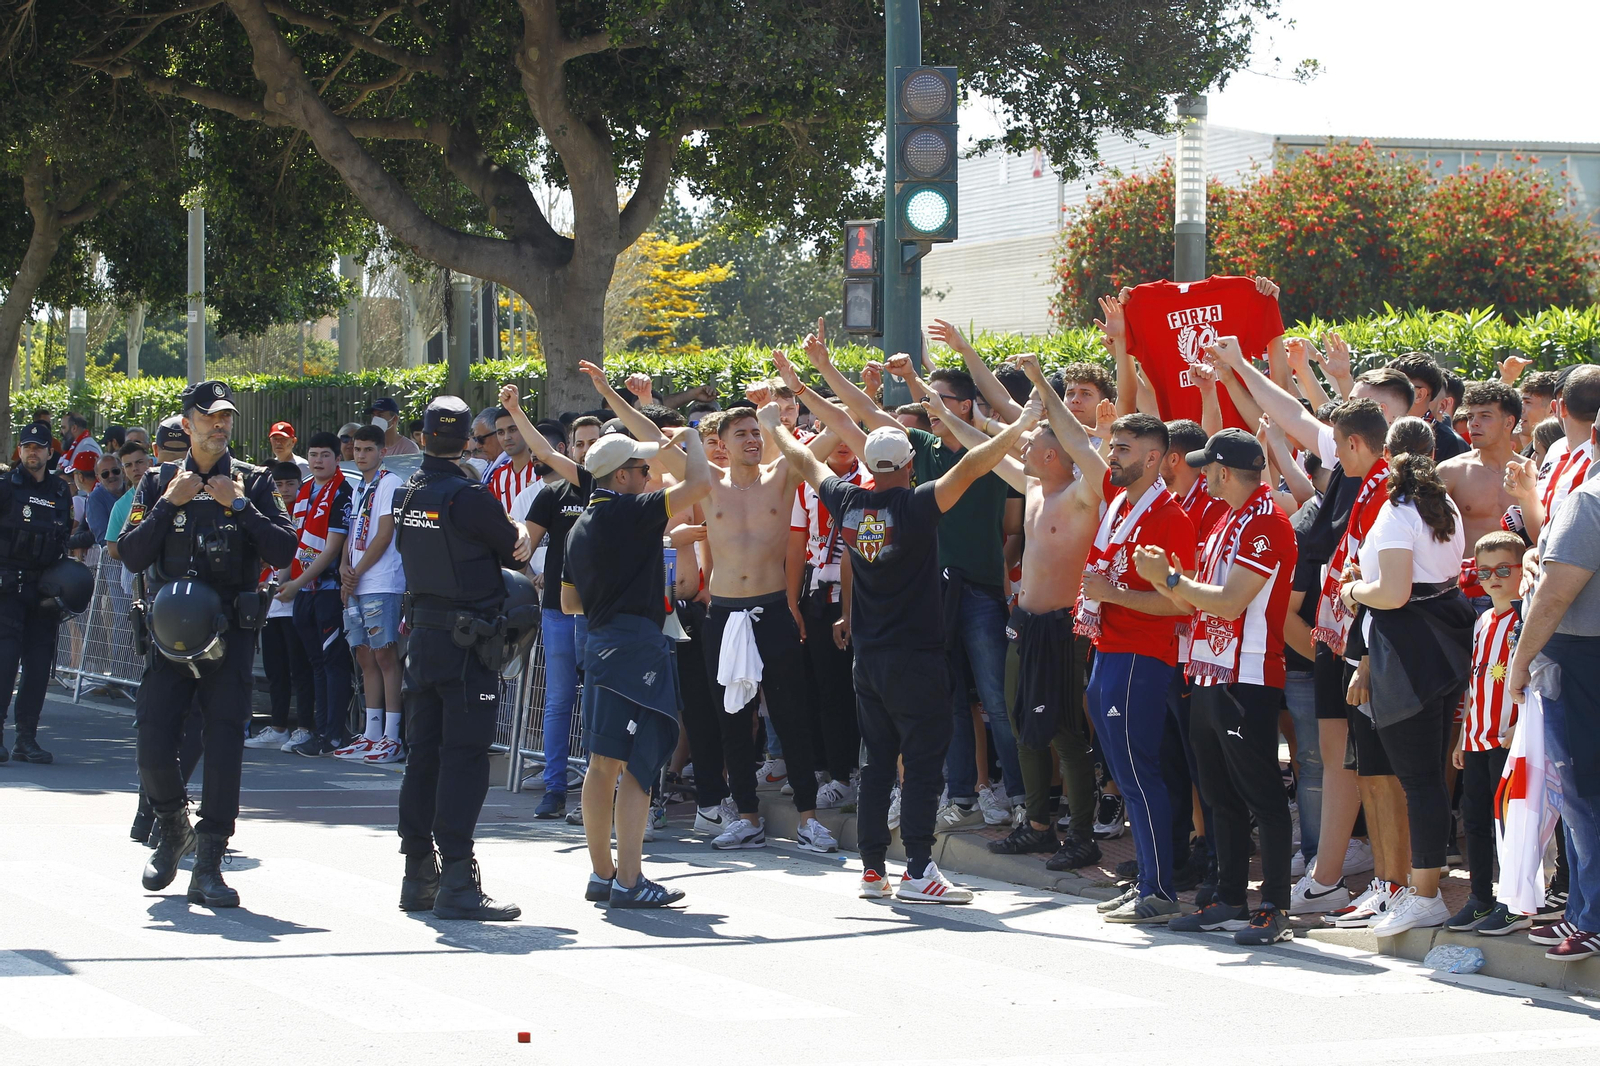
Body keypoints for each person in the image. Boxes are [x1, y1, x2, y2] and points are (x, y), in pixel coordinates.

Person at [763, 395, 1039, 903]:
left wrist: (771, 428)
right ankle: (916, 869)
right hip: (916, 658)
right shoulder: (916, 504)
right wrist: (1022, 423)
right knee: (924, 765)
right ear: (911, 465)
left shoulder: (847, 500)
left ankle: (873, 871)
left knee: (877, 766)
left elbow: (804, 460)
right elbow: (976, 464)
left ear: (869, 464)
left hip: (868, 660)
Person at [577, 358, 834, 855]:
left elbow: (831, 434)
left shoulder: (783, 476)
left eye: (756, 432)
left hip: (771, 609)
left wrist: (792, 397)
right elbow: (645, 432)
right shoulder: (708, 482)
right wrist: (610, 392)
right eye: (741, 433)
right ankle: (747, 816)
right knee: (730, 720)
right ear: (723, 438)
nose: (752, 440)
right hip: (723, 613)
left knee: (790, 713)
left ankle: (807, 818)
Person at [119, 380, 297, 908]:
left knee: (222, 746)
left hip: (230, 635)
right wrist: (165, 505)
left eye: (225, 417)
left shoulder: (253, 482)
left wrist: (242, 508)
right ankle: (173, 827)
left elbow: (285, 548)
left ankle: (211, 861)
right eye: (208, 416)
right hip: (169, 638)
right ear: (188, 422)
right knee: (152, 737)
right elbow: (129, 554)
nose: (219, 425)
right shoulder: (156, 482)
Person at [1136, 426, 1298, 946]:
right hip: (1209, 671)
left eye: (1208, 468)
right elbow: (1197, 603)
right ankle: (1229, 897)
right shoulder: (1229, 519)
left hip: (1246, 676)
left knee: (1262, 796)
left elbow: (1229, 602)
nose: (1202, 475)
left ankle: (1272, 906)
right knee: (1219, 794)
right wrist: (1166, 580)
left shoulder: (1266, 525)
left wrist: (1173, 581)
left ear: (1225, 472)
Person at [393, 395, 531, 921]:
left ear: (424, 438)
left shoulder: (408, 493)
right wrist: (517, 530)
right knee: (465, 758)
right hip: (467, 641)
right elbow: (512, 548)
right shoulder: (468, 494)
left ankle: (417, 873)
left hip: (424, 640)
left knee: (422, 757)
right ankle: (456, 877)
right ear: (468, 441)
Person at [563, 421, 711, 907]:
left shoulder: (580, 525)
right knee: (641, 766)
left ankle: (603, 875)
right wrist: (691, 440)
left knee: (602, 764)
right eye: (642, 469)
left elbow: (569, 602)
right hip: (637, 646)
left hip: (602, 642)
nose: (648, 475)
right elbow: (699, 485)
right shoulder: (629, 511)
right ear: (621, 476)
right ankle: (629, 881)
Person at [976, 354, 1105, 871]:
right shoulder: (1031, 487)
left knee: (1067, 733)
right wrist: (937, 402)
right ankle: (1036, 826)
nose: (1024, 449)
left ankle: (1081, 834)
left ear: (1055, 456)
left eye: (1034, 446)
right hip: (1024, 624)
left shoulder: (1082, 495)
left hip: (1065, 628)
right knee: (1019, 722)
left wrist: (1036, 382)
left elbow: (1080, 443)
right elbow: (979, 449)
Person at [1341, 445, 1470, 936]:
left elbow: (1392, 594)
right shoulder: (1444, 504)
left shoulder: (1400, 510)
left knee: (1419, 781)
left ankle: (1425, 896)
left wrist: (1352, 591)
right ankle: (1422, 891)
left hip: (1410, 650)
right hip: (1440, 642)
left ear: (1391, 456)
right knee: (1427, 780)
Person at [1076, 413, 1197, 925]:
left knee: (1138, 775)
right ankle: (1149, 881)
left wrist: (1113, 594)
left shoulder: (1170, 518)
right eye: (1112, 445)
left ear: (1153, 458)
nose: (1112, 455)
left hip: (1140, 657)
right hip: (1109, 649)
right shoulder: (1124, 503)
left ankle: (1160, 889)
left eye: (1122, 448)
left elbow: (1181, 604)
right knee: (1127, 776)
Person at [499, 385, 595, 818]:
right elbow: (523, 548)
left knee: (597, 703)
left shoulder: (614, 488)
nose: (587, 449)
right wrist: (518, 551)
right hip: (557, 612)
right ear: (569, 447)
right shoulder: (551, 493)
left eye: (596, 442)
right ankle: (555, 791)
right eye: (581, 442)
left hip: (602, 616)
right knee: (558, 703)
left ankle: (596, 792)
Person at [1446, 531, 1532, 937]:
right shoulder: (1482, 621)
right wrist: (1463, 735)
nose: (1493, 578)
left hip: (1509, 741)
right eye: (1485, 571)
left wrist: (1519, 726)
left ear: (1520, 570)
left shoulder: (1524, 618)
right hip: (1478, 739)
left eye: (1503, 569)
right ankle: (1481, 898)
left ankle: (1514, 902)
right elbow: (1474, 682)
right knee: (1477, 821)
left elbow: (1532, 680)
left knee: (1510, 825)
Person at [0, 422, 78, 764]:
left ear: (50, 452)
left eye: (39, 447)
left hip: (43, 590)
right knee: (4, 664)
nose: (33, 452)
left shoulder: (61, 493)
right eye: (27, 446)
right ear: (20, 450)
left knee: (38, 665)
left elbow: (64, 537)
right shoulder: (4, 486)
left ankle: (26, 739)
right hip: (7, 589)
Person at [279, 432, 354, 757]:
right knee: (314, 664)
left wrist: (296, 583)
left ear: (337, 458)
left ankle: (334, 734)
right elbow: (294, 542)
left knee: (333, 662)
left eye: (325, 454)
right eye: (313, 454)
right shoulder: (305, 489)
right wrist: (283, 578)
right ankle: (319, 730)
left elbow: (332, 548)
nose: (318, 460)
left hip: (328, 590)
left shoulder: (342, 491)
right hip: (303, 591)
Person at [338, 425, 407, 764]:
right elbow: (351, 532)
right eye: (357, 449)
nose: (361, 454)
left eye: (368, 449)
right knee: (363, 656)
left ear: (382, 451)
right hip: (356, 582)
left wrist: (357, 572)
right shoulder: (358, 487)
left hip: (381, 581)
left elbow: (383, 533)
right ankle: (371, 732)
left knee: (385, 655)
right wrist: (343, 570)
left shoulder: (389, 482)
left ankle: (393, 737)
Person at [246, 462, 319, 751]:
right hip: (269, 600)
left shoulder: (306, 510)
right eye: (280, 485)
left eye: (291, 484)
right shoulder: (264, 513)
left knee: (299, 668)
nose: (285, 490)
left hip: (297, 597)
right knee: (275, 669)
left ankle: (304, 726)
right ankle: (277, 726)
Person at [1438, 382, 1520, 551]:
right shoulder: (1451, 472)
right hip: (1466, 573)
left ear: (1508, 423)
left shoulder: (1531, 472)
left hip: (1520, 574)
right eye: (1470, 417)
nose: (1474, 423)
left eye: (1485, 416)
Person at [487, 404, 541, 512]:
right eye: (501, 432)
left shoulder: (543, 471)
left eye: (512, 430)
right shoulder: (498, 477)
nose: (506, 437)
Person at [85, 453, 127, 545]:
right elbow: (103, 539)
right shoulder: (95, 499)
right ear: (98, 478)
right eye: (105, 474)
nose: (111, 476)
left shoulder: (134, 490)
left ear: (122, 471)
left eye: (115, 471)